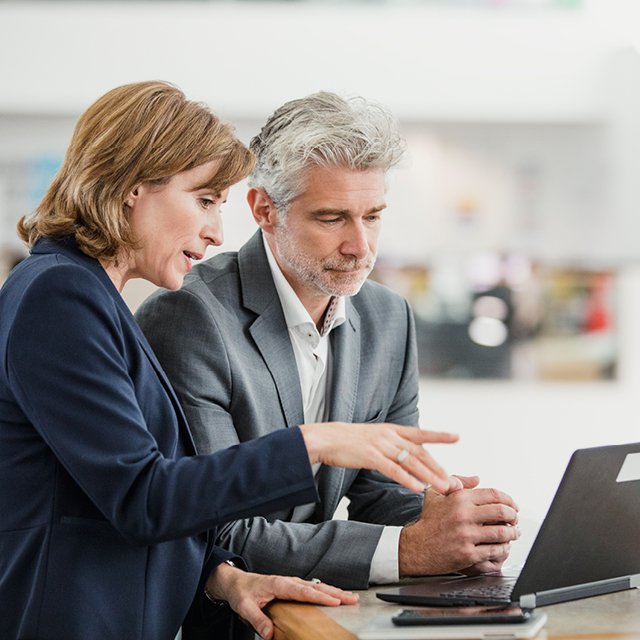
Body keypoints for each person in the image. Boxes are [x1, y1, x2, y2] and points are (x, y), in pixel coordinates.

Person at [0, 81, 461, 640]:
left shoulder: (87, 294)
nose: (217, 232)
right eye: (204, 200)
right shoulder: (61, 295)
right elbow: (144, 499)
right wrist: (314, 442)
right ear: (133, 188)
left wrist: (222, 577)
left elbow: (118, 499)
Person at [136, 91, 520, 599]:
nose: (360, 246)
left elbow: (382, 494)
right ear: (264, 210)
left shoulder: (387, 318)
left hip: (326, 611)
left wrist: (451, 524)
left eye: (373, 216)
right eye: (332, 218)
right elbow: (217, 530)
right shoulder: (190, 317)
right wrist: (408, 551)